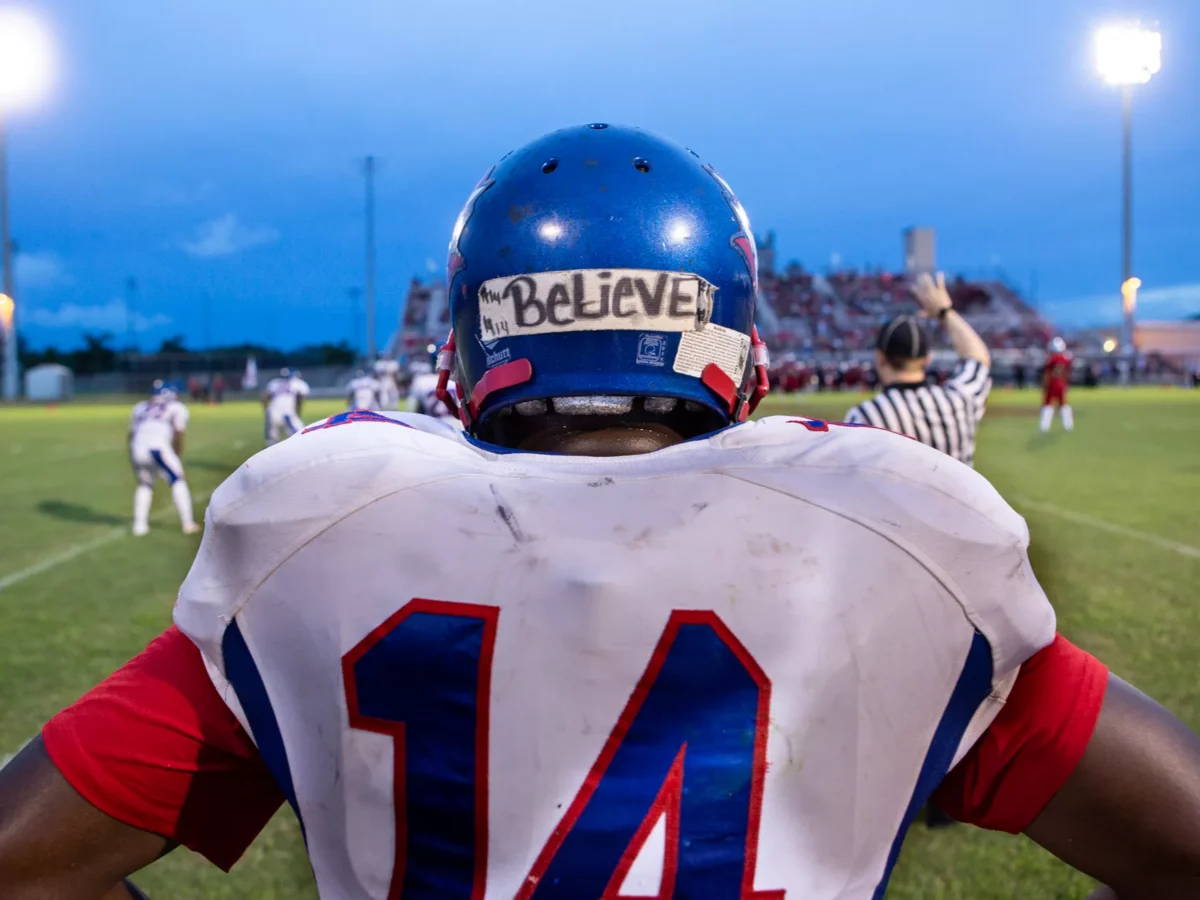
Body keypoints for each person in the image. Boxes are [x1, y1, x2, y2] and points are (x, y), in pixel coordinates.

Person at [3, 125, 1200, 900]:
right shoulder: (895, 534)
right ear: (746, 358)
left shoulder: (319, 525)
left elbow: (23, 862)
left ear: (463, 358)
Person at [844, 272, 992, 467]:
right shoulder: (959, 400)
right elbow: (978, 357)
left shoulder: (866, 416)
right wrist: (945, 311)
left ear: (880, 358)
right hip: (956, 498)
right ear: (927, 358)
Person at [127, 380, 199, 536]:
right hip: (157, 449)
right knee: (178, 480)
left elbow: (131, 435)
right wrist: (177, 453)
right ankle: (187, 523)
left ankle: (139, 526)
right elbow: (179, 433)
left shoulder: (139, 408)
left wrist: (132, 454)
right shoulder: (176, 407)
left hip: (137, 449)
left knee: (145, 484)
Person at [262, 366, 309, 446]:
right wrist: (298, 411)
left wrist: (266, 409)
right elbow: (300, 399)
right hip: (287, 412)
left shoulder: (274, 383)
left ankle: (272, 454)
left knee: (271, 438)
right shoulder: (297, 383)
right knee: (299, 434)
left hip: (273, 411)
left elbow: (265, 397)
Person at [407, 357, 459, 424]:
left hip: (433, 426)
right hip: (458, 426)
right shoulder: (456, 380)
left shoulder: (421, 380)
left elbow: (411, 408)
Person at [1041, 337, 1074, 432]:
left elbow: (1047, 373)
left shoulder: (1051, 359)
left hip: (1052, 383)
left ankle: (1044, 426)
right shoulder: (1066, 359)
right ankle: (1068, 425)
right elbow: (1067, 373)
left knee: (1048, 404)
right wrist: (1066, 384)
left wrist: (1044, 385)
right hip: (1061, 383)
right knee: (1063, 404)